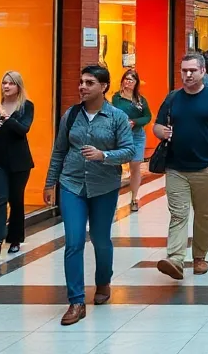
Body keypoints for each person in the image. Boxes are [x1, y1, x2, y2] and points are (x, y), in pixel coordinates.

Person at [44, 64, 134, 325]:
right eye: (81, 82)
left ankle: (103, 281)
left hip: (104, 186)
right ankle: (76, 301)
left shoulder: (116, 117)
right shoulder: (71, 115)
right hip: (71, 184)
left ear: (104, 87)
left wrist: (103, 155)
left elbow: (129, 151)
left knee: (100, 239)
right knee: (73, 242)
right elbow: (59, 150)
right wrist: (51, 183)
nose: (83, 86)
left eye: (89, 82)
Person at [153, 51, 208, 280]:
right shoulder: (172, 98)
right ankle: (176, 259)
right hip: (175, 167)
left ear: (202, 71)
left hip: (205, 167)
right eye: (184, 70)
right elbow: (157, 126)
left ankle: (199, 257)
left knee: (203, 214)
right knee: (178, 214)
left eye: (192, 70)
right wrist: (162, 132)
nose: (187, 75)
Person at [0, 70, 35, 259]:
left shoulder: (26, 107)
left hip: (19, 163)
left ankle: (15, 238)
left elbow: (23, 130)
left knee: (16, 200)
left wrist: (7, 119)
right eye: (4, 83)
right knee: (0, 198)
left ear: (18, 86)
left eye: (10, 83)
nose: (6, 86)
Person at [111, 69, 152, 212]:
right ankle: (112, 199)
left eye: (131, 80)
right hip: (120, 136)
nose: (128, 82)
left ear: (136, 83)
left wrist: (134, 122)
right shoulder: (116, 98)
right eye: (126, 79)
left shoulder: (140, 100)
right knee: (115, 167)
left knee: (135, 166)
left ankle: (134, 198)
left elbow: (147, 117)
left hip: (137, 136)